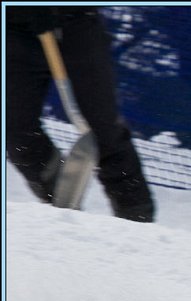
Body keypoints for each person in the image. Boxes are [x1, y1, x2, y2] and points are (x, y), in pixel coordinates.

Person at [6, 6, 156, 222]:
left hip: (75, 22)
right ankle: (62, 206)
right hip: (15, 29)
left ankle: (138, 220)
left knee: (104, 131)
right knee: (17, 132)